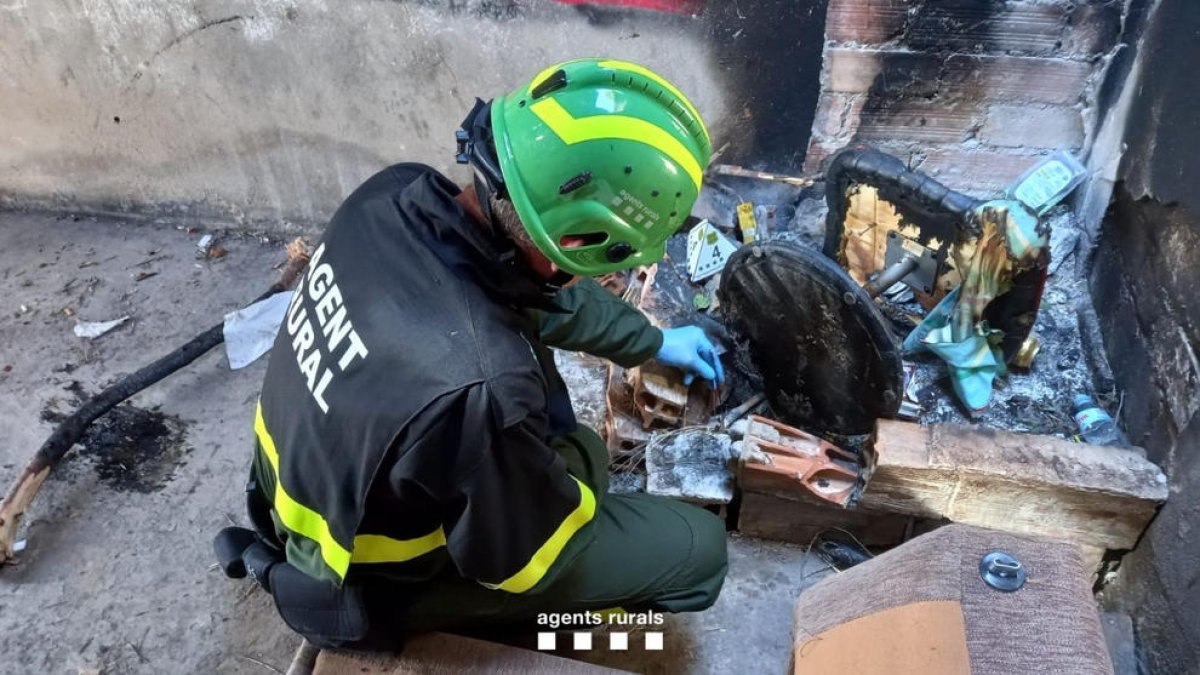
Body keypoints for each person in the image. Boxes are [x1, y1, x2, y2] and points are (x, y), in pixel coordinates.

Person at [224, 57, 728, 648]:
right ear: (573, 242)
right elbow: (524, 561)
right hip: (363, 579)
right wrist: (582, 467)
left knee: (554, 428)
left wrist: (655, 341)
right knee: (700, 554)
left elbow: (537, 293)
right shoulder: (484, 388)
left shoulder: (390, 195)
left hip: (297, 487)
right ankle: (490, 629)